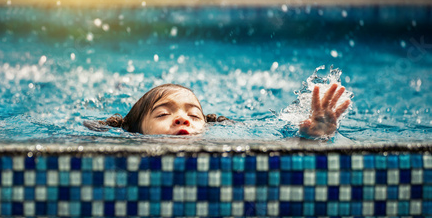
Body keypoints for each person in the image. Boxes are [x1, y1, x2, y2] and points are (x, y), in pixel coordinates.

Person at [84, 83, 351, 139]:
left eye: (194, 115)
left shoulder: (227, 142)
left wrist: (317, 135)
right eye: (163, 114)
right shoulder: (128, 142)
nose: (181, 118)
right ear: (135, 130)